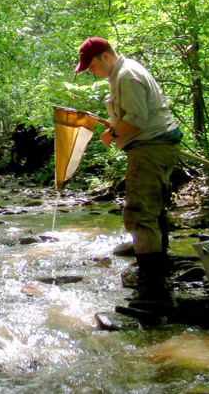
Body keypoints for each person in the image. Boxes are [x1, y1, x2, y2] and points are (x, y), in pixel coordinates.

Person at [75, 37, 182, 298]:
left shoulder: (127, 75)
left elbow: (137, 120)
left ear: (106, 56)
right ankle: (159, 270)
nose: (92, 72)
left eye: (92, 66)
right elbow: (130, 115)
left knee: (138, 212)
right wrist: (112, 126)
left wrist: (110, 134)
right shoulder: (120, 74)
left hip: (151, 146)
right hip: (153, 145)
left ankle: (152, 284)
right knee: (153, 209)